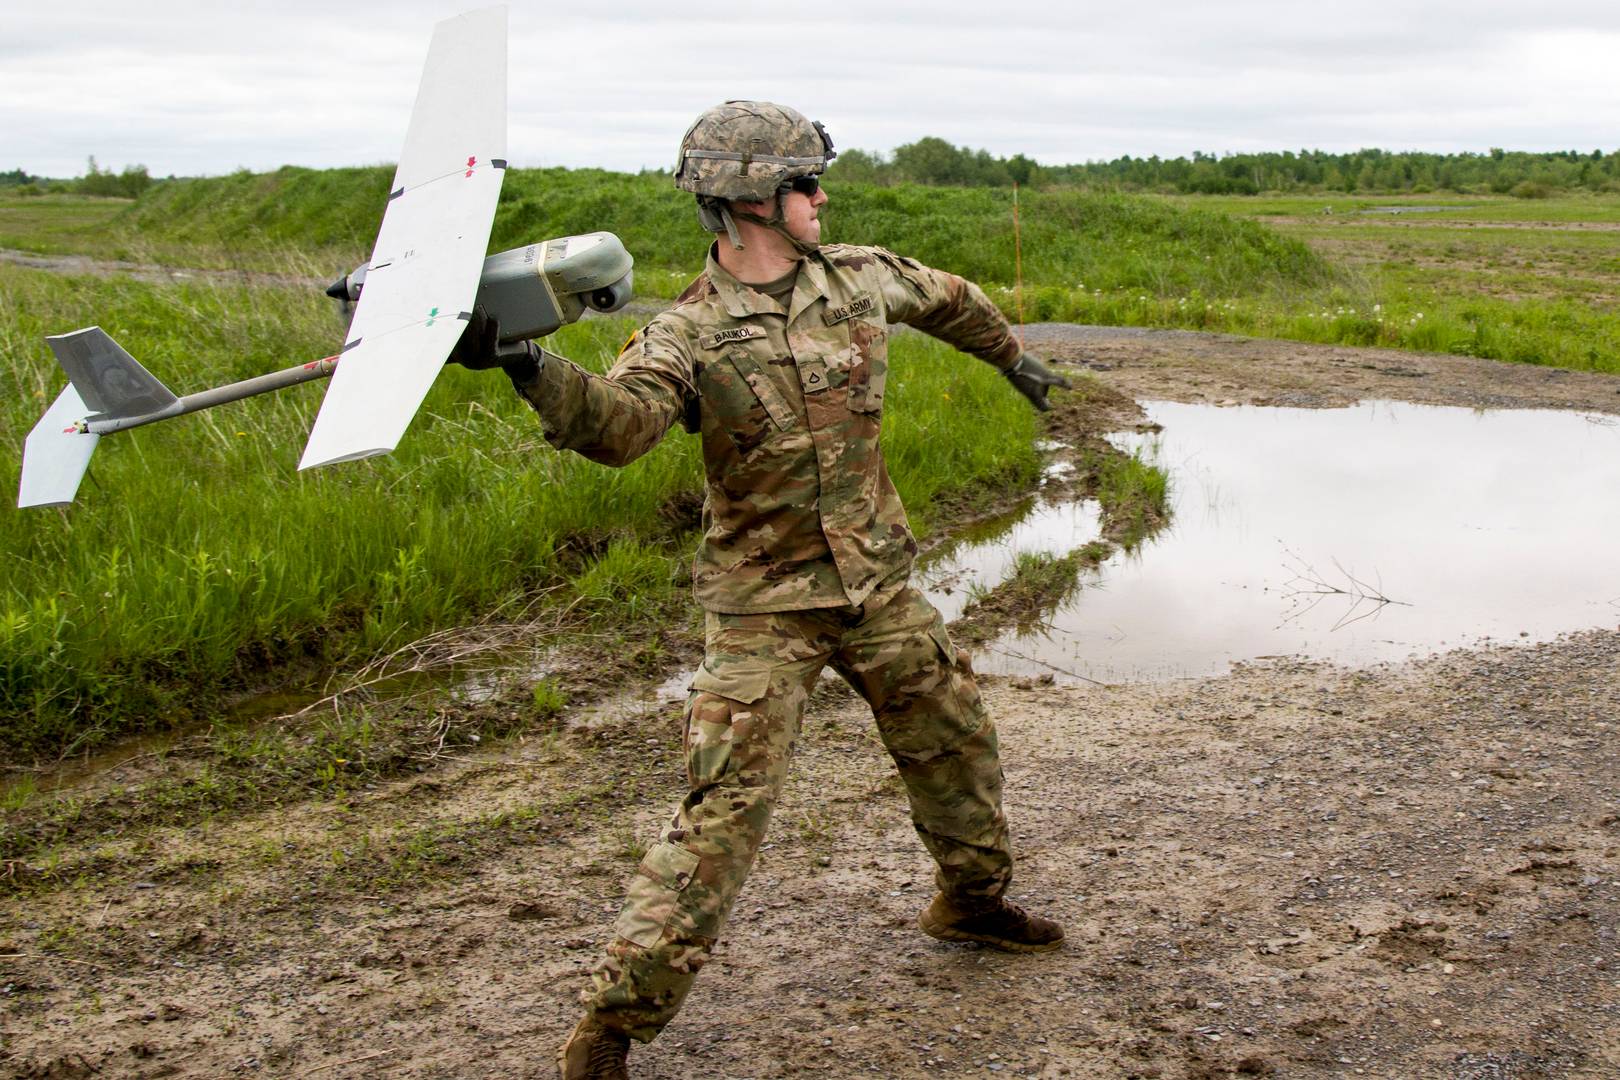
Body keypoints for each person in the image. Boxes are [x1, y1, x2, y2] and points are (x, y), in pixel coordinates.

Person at [452, 101, 1071, 1080]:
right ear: (751, 202)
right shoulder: (686, 334)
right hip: (762, 608)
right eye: (804, 184)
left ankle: (972, 903)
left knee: (955, 737)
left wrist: (1014, 360)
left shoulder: (861, 277)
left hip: (877, 584)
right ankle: (608, 1032)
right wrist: (527, 365)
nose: (822, 197)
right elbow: (618, 429)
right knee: (722, 815)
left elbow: (952, 298)